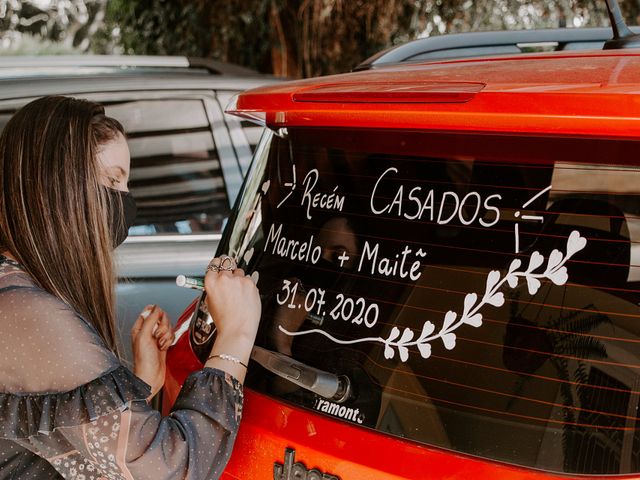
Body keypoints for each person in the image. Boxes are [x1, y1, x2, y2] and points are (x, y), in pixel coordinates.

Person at [0, 96, 261, 479]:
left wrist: (137, 385)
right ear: (58, 189)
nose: (126, 201)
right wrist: (236, 337)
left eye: (126, 182)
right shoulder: (26, 313)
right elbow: (172, 466)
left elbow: (81, 446)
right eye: (111, 180)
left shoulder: (17, 289)